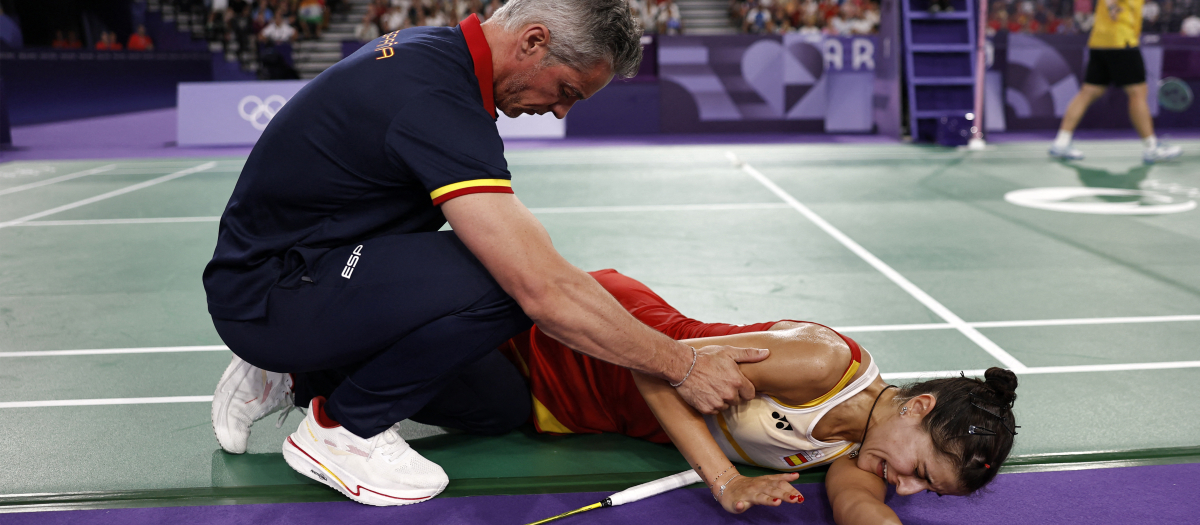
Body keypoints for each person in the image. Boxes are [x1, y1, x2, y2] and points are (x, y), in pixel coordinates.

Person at [206, 0, 762, 507]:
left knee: (498, 407)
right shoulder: (435, 96)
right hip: (271, 290)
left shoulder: (439, 54)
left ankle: (295, 374)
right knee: (513, 283)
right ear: (534, 42)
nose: (562, 111)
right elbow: (540, 287)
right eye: (567, 90)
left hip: (320, 264)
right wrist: (681, 363)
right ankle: (344, 430)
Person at [226, 269, 1020, 518]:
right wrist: (726, 479)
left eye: (922, 491)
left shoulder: (860, 451)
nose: (906, 486)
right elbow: (664, 363)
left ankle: (296, 375)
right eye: (921, 470)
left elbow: (855, 505)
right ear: (918, 405)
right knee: (455, 332)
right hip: (605, 342)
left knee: (477, 404)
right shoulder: (822, 363)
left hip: (574, 410)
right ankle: (287, 352)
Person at [1049, 0, 1182, 163]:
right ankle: (1151, 147)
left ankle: (1061, 142)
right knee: (1137, 93)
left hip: (1100, 41)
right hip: (1121, 40)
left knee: (1089, 91)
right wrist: (1112, 7)